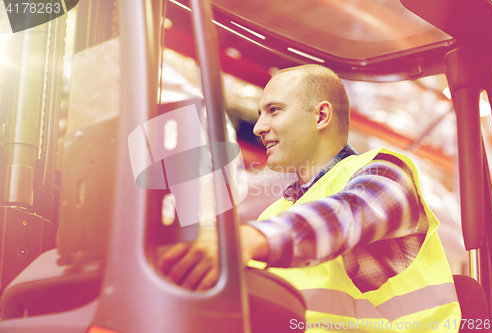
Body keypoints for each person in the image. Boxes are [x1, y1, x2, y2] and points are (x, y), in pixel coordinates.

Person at [158, 64, 460, 331]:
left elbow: (348, 217)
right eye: (261, 112)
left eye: (274, 110)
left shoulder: (386, 172)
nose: (259, 127)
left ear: (321, 115)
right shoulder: (276, 213)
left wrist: (247, 240)